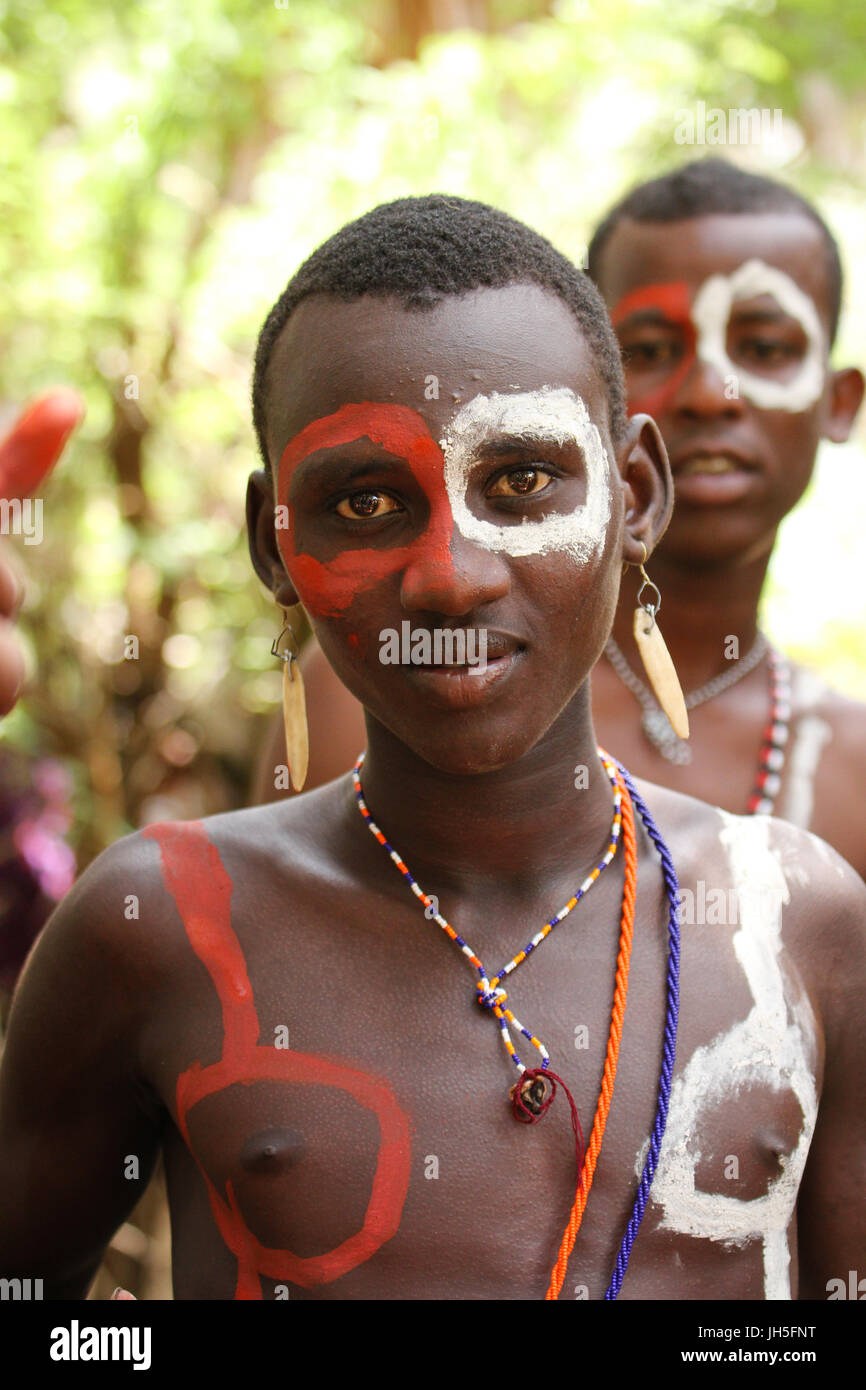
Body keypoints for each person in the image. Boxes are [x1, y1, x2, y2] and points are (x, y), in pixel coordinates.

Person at [1, 196, 863, 1301]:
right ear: (276, 543)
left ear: (632, 494)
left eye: (517, 481)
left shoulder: (801, 924)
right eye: (364, 500)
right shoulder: (156, 929)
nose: (450, 574)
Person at [253, 161, 866, 884]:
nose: (709, 394)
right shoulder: (393, 686)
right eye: (650, 350)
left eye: (763, 349)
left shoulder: (849, 775)